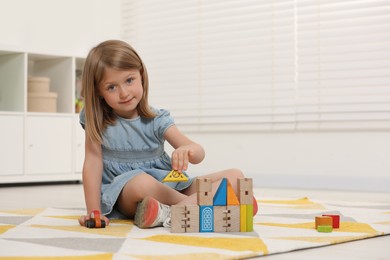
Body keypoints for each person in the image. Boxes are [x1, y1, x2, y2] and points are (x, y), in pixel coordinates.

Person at [78, 39, 257, 229]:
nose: (124, 93)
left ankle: (176, 210)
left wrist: (187, 150)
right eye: (111, 87)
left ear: (141, 76)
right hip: (127, 194)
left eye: (129, 80)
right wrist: (94, 211)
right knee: (141, 182)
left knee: (236, 176)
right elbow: (92, 162)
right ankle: (198, 208)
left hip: (169, 185)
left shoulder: (157, 119)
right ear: (98, 92)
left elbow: (199, 153)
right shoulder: (96, 120)